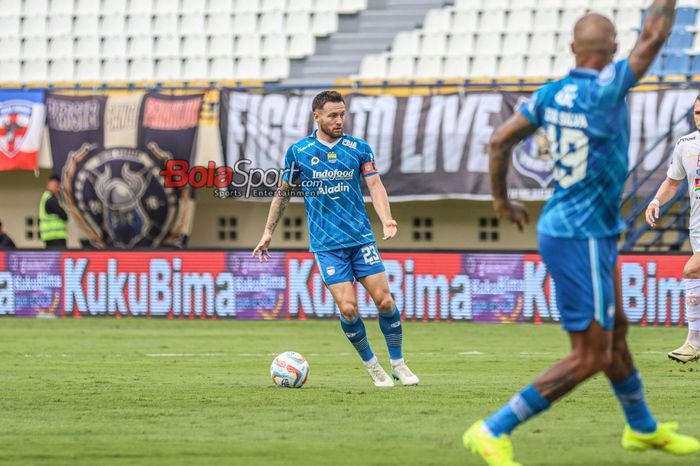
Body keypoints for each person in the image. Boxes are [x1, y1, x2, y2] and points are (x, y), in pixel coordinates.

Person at [464, 2, 700, 465]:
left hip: (574, 226)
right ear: (613, 49)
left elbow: (498, 141)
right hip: (582, 235)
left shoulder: (550, 94)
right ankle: (492, 428)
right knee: (591, 355)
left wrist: (500, 200)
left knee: (619, 333)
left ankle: (642, 429)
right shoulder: (610, 87)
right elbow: (652, 36)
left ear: (572, 49)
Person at [253, 90, 419, 388]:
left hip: (361, 239)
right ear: (316, 117)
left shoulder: (359, 148)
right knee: (349, 309)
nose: (339, 120)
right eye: (332, 115)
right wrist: (268, 232)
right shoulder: (299, 152)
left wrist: (387, 218)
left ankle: (398, 363)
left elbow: (375, 185)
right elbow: (283, 193)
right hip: (328, 246)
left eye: (342, 114)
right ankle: (373, 367)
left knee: (384, 300)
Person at [645, 94, 700, 363]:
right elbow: (673, 182)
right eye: (698, 113)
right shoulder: (686, 144)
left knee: (692, 270)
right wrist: (656, 201)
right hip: (697, 229)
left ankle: (694, 342)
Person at [39, 175, 67, 249]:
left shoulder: (45, 197)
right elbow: (64, 216)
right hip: (55, 236)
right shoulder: (51, 199)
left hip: (50, 237)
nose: (57, 188)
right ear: (48, 184)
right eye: (56, 185)